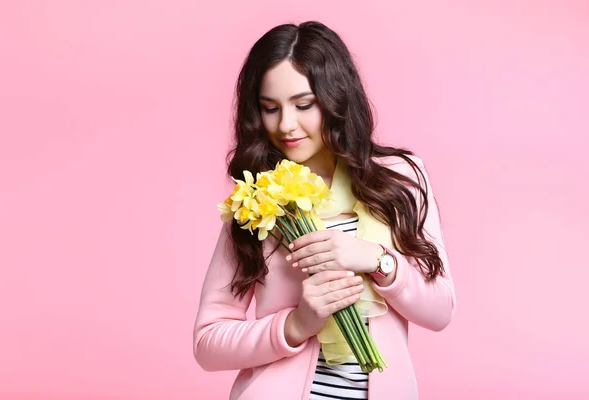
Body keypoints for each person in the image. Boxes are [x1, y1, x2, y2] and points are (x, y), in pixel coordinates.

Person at [193, 20, 456, 400]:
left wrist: (379, 261)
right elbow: (208, 342)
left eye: (304, 105)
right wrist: (294, 326)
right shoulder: (259, 200)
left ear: (336, 99)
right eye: (270, 108)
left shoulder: (398, 179)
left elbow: (441, 311)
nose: (286, 125)